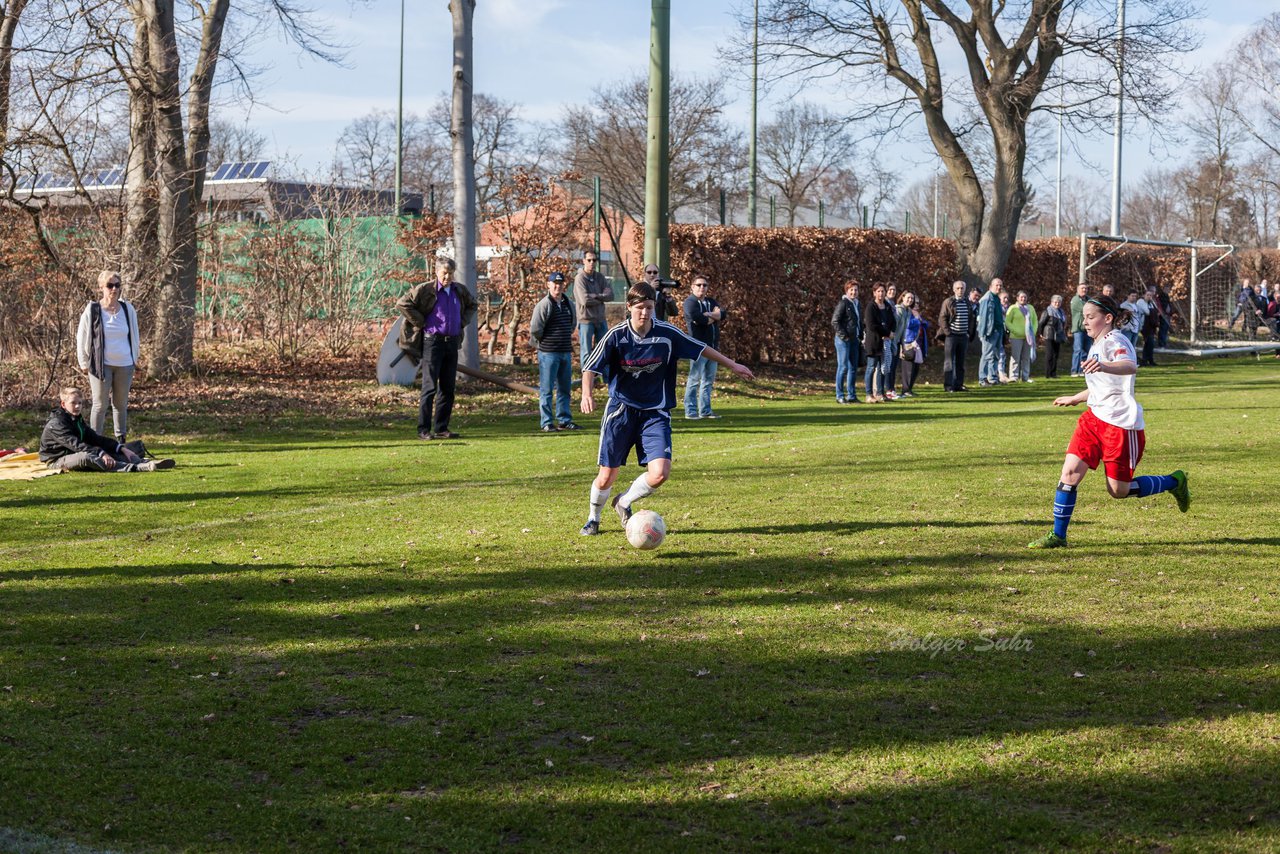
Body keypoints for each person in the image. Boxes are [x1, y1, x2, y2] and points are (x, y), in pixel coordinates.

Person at [578, 282, 754, 536]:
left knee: (659, 474)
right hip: (621, 412)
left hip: (655, 412)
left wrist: (732, 364)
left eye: (649, 307)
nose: (645, 313)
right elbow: (590, 366)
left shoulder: (667, 333)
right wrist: (586, 394)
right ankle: (593, 519)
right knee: (607, 475)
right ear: (629, 308)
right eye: (639, 307)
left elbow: (701, 348)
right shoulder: (616, 335)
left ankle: (624, 501)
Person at [1028, 295, 1189, 549]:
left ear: (1108, 318)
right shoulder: (1096, 344)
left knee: (1118, 490)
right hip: (1092, 420)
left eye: (1090, 317)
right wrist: (1076, 398)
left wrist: (1103, 365)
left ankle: (1174, 481)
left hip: (1120, 425)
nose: (1085, 322)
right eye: (1084, 317)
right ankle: (1058, 535)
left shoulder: (1115, 340)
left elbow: (1129, 365)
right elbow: (1102, 388)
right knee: (1069, 473)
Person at [396, 256, 479, 440]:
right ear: (436, 272)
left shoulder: (459, 290)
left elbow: (473, 305)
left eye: (450, 273)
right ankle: (423, 429)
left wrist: (462, 322)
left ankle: (442, 428)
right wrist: (421, 322)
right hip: (432, 341)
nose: (447, 277)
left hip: (452, 342)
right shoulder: (426, 289)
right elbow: (402, 304)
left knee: (448, 388)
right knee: (429, 387)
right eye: (444, 273)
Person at [39, 387, 174, 472]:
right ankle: (135, 468)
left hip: (73, 453)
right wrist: (101, 453)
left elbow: (95, 438)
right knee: (86, 456)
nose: (77, 406)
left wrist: (120, 447)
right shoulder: (56, 423)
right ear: (63, 404)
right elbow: (76, 445)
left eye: (80, 403)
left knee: (106, 450)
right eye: (73, 403)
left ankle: (142, 461)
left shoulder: (76, 419)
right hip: (56, 460)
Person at [76, 270, 141, 444]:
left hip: (125, 364)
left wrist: (135, 358)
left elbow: (134, 334)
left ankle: (121, 440)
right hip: (100, 365)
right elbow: (81, 336)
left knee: (120, 404)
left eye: (117, 285)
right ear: (101, 287)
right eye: (110, 285)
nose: (114, 289)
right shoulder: (93, 309)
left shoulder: (128, 309)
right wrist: (83, 361)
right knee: (100, 404)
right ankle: (94, 441)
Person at [530, 271, 580, 433]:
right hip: (548, 353)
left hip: (565, 351)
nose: (558, 286)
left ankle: (564, 420)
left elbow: (572, 324)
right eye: (554, 283)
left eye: (560, 283)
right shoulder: (544, 304)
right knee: (546, 389)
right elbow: (536, 329)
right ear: (549, 284)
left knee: (565, 389)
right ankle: (546, 422)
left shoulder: (568, 304)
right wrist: (545, 343)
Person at [682, 274, 725, 419]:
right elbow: (701, 320)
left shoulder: (711, 301)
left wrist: (710, 315)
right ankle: (691, 411)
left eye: (705, 285)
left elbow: (722, 314)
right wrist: (713, 316)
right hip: (698, 348)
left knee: (708, 381)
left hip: (713, 348)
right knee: (694, 380)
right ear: (692, 287)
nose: (702, 287)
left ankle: (705, 411)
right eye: (699, 285)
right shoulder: (690, 303)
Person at [573, 250, 613, 372]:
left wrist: (595, 296)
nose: (591, 262)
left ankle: (604, 378)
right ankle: (586, 378)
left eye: (594, 260)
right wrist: (602, 297)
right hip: (586, 321)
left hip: (601, 319)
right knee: (586, 352)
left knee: (604, 349)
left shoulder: (600, 277)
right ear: (584, 261)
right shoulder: (580, 278)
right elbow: (585, 300)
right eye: (589, 260)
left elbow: (611, 296)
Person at [936, 280, 974, 392]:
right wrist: (948, 333)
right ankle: (948, 385)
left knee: (960, 362)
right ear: (953, 290)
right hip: (952, 336)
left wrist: (968, 332)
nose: (960, 290)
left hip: (963, 336)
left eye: (962, 288)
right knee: (949, 362)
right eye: (957, 288)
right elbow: (942, 318)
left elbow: (971, 318)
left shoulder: (967, 302)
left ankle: (958, 384)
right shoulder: (948, 302)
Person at [831, 279, 863, 404]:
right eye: (851, 290)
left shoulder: (857, 304)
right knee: (843, 367)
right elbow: (835, 321)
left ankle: (852, 395)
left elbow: (859, 322)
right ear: (847, 291)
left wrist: (861, 335)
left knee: (853, 368)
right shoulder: (843, 303)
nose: (854, 292)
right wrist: (844, 336)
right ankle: (839, 395)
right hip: (843, 340)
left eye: (856, 290)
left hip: (855, 340)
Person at [863, 283, 895, 403]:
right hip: (873, 342)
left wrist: (891, 332)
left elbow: (892, 321)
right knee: (871, 367)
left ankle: (880, 393)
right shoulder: (871, 307)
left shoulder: (887, 306)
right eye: (879, 291)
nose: (881, 294)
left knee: (883, 368)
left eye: (882, 291)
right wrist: (886, 332)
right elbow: (871, 325)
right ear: (874, 293)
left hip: (885, 342)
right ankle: (869, 394)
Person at [896, 292, 928, 397]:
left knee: (916, 367)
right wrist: (918, 320)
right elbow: (907, 325)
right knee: (908, 368)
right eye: (915, 303)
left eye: (918, 303)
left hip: (918, 343)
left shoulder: (916, 314)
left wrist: (920, 319)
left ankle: (910, 388)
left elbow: (926, 324)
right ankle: (905, 389)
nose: (917, 305)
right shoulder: (908, 312)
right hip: (909, 342)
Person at [976, 278, 1005, 387]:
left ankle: (993, 378)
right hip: (989, 332)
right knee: (986, 355)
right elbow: (983, 318)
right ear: (991, 286)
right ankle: (982, 379)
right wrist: (983, 333)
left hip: (998, 330)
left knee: (996, 355)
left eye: (1000, 285)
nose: (999, 287)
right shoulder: (987, 299)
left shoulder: (997, 298)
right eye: (997, 285)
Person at [1005, 290, 1038, 382]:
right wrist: (1016, 331)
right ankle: (1013, 377)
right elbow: (1007, 322)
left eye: (1025, 297)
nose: (1023, 299)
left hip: (1028, 337)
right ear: (1017, 298)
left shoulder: (1030, 308)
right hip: (1016, 337)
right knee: (1015, 357)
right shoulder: (1013, 308)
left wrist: (1033, 332)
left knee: (1026, 357)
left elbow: (1035, 321)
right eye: (1021, 297)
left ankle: (1025, 376)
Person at [1037, 294, 1067, 379]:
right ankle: (1047, 374)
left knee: (1056, 354)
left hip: (1058, 335)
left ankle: (1053, 374)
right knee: (1049, 354)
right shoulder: (1047, 311)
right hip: (1049, 334)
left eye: (1059, 302)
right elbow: (1041, 323)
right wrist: (1040, 333)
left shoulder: (1061, 312)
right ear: (1051, 302)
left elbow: (1063, 324)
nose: (1057, 304)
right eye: (1055, 302)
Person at [1069, 282, 1090, 377]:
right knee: (1078, 350)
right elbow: (1086, 310)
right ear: (1078, 290)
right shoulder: (1075, 300)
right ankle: (1074, 370)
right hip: (1078, 329)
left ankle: (1082, 370)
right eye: (1082, 288)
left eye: (1085, 288)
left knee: (1086, 350)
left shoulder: (1088, 299)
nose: (1084, 290)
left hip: (1087, 328)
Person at [883, 284, 900, 398]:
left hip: (894, 338)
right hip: (887, 337)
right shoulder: (885, 304)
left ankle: (891, 388)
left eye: (894, 290)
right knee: (887, 365)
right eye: (890, 290)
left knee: (893, 365)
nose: (892, 292)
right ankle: (887, 389)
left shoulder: (893, 304)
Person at [1139, 286, 1160, 367]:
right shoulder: (1141, 302)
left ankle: (1149, 360)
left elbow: (1156, 311)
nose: (1149, 297)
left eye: (1150, 295)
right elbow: (1147, 312)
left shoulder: (1151, 303)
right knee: (1148, 342)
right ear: (1144, 295)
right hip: (1144, 326)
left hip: (1151, 326)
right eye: (1147, 295)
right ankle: (1145, 360)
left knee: (1150, 344)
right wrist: (1153, 312)